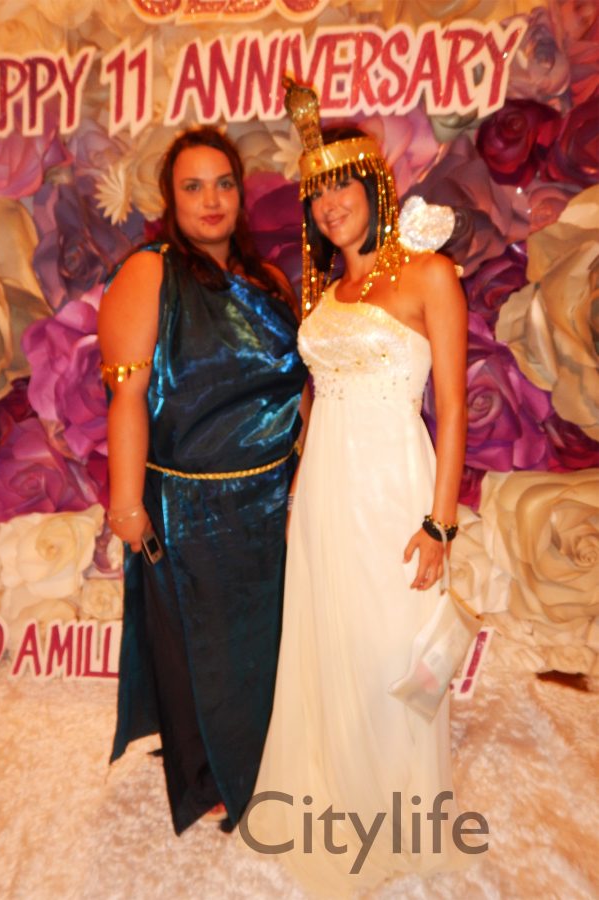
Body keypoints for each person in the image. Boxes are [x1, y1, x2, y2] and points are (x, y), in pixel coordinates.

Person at [241, 80, 473, 894]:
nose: (328, 203)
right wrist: (297, 492)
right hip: (324, 494)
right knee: (326, 641)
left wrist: (439, 523)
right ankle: (332, 797)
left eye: (342, 184)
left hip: (392, 489)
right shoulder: (324, 290)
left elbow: (452, 407)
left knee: (387, 646)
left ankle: (395, 815)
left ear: (375, 185)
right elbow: (316, 400)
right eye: (315, 192)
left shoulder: (429, 275)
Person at [97, 126, 309, 834]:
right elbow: (127, 396)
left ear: (240, 195)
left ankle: (263, 755)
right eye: (193, 186)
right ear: (170, 198)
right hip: (191, 504)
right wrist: (126, 504)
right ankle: (209, 772)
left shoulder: (269, 281)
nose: (211, 199)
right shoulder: (149, 273)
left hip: (274, 500)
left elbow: (299, 391)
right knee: (200, 646)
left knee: (265, 642)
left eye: (223, 183)